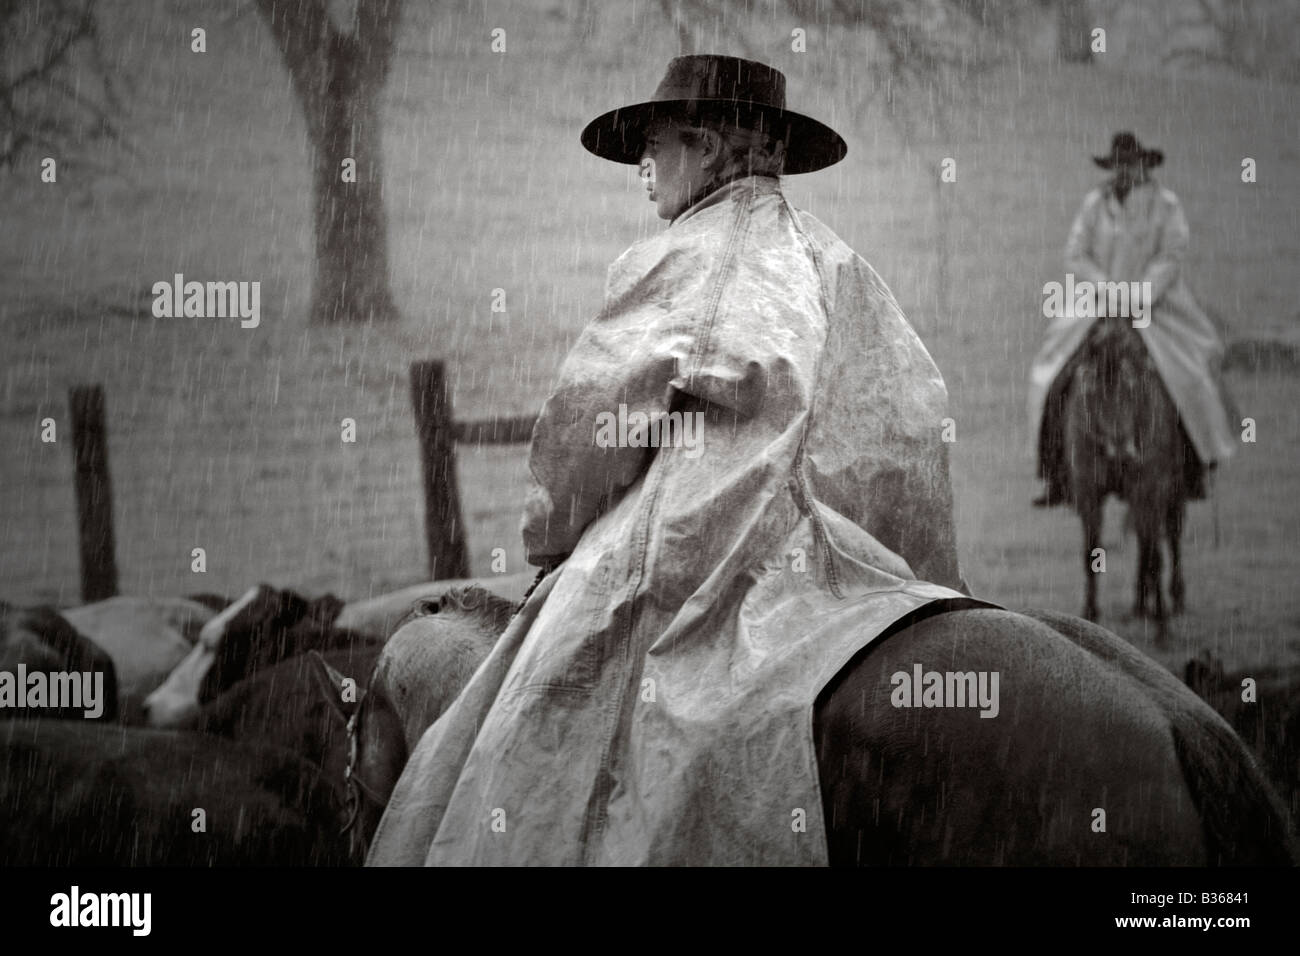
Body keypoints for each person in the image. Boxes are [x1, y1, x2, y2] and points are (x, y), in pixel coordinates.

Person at [365, 55, 972, 866]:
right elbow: (905, 439)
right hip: (834, 551)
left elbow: (592, 426)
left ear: (711, 150)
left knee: (527, 722)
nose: (644, 173)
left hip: (685, 538)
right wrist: (915, 576)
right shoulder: (844, 267)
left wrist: (553, 538)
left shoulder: (676, 258)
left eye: (656, 149)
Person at [1030, 132, 1237, 507]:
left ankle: (1194, 466)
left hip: (1157, 306)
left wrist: (1139, 295)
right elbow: (1076, 255)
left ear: (1144, 165)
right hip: (1098, 303)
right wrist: (1109, 290)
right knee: (1052, 371)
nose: (1125, 171)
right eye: (1119, 165)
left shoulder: (1166, 205)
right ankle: (1056, 470)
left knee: (1189, 374)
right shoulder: (1095, 204)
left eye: (1131, 164)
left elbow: (1171, 256)